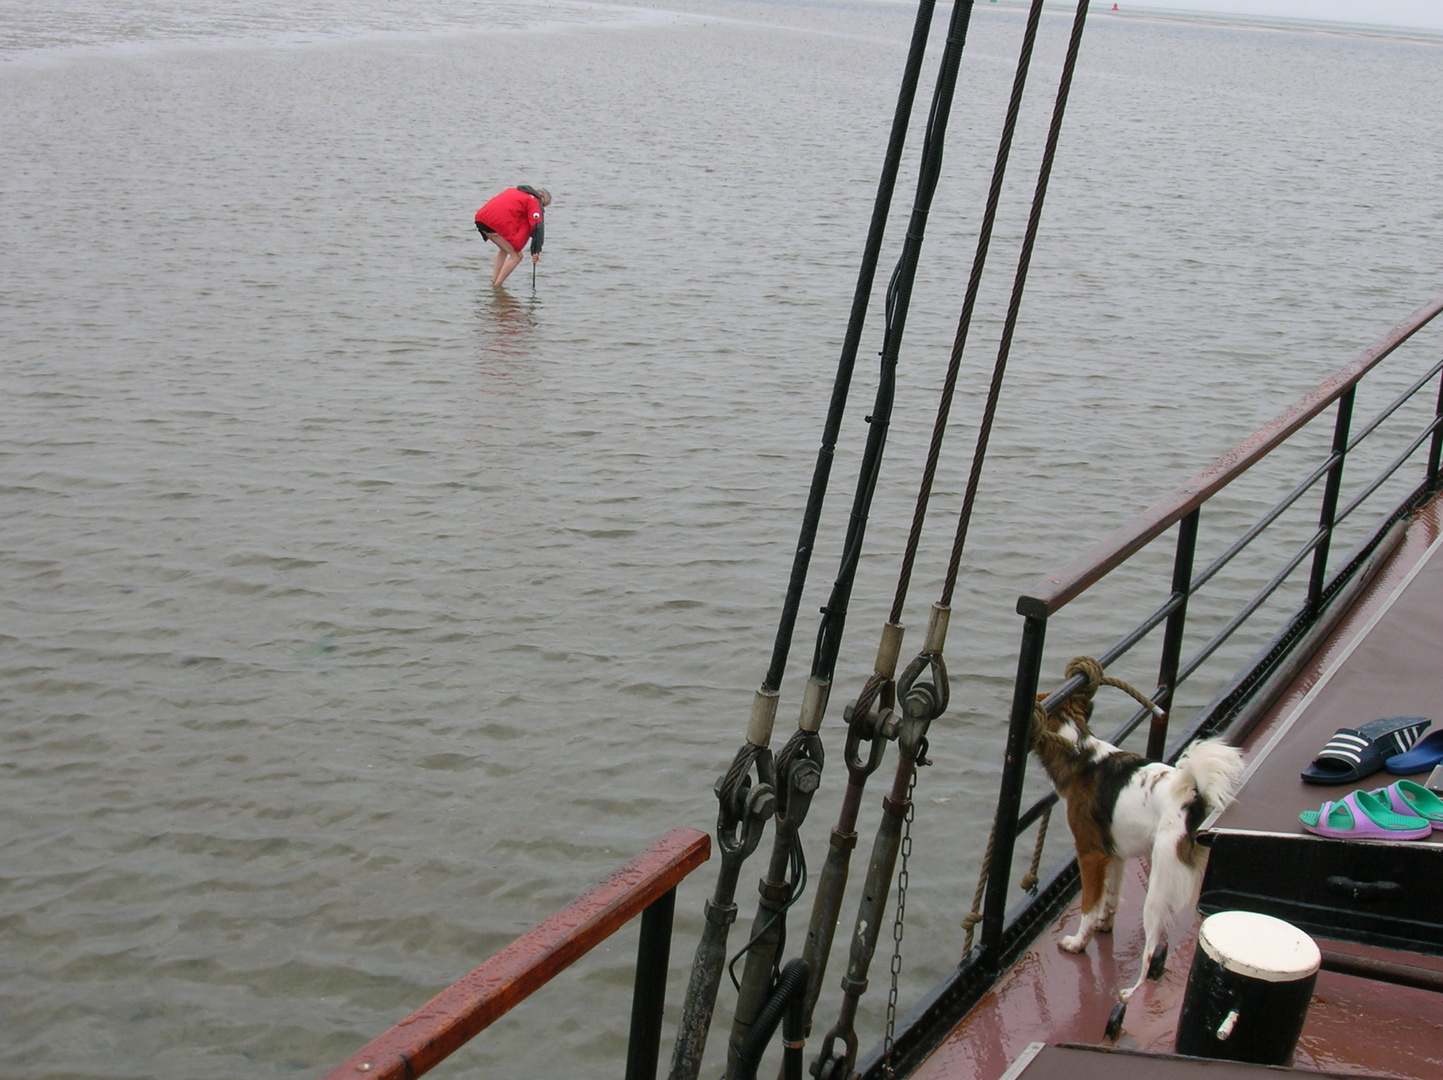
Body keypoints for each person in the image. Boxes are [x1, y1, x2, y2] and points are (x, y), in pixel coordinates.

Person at [474, 185, 551, 287]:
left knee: (504, 249)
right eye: (543, 206)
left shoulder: (514, 191)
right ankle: (498, 287)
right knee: (517, 256)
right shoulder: (533, 201)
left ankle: (494, 282)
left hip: (481, 219)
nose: (541, 209)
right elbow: (538, 227)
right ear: (541, 197)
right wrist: (536, 251)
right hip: (493, 224)